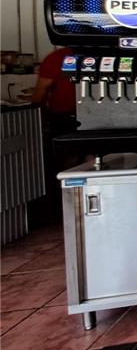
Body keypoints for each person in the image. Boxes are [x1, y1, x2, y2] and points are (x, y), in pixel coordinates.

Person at [29, 47, 78, 226]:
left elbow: (40, 92)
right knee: (85, 160)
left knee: (68, 164)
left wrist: (35, 118)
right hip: (81, 117)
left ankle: (67, 209)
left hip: (64, 118)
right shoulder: (59, 58)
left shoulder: (56, 57)